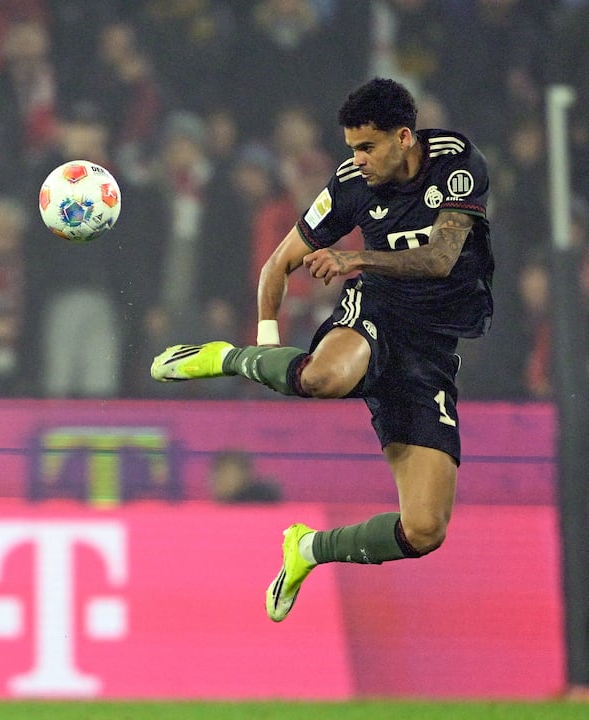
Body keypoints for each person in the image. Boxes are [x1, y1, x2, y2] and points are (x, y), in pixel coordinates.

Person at [150, 78, 494, 622]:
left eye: (367, 147)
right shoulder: (350, 184)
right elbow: (277, 264)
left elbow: (442, 257)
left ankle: (307, 550)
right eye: (351, 147)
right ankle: (224, 357)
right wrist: (263, 347)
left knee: (425, 530)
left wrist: (356, 257)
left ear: (405, 137)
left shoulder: (455, 163)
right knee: (321, 378)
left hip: (431, 349)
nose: (357, 159)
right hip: (378, 312)